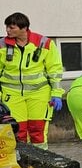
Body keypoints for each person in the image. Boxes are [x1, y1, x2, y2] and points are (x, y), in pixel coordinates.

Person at [0, 12, 64, 149]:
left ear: (24, 28)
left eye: (12, 27)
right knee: (17, 131)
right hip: (11, 95)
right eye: (7, 27)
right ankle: (21, 165)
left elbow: (54, 70)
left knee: (38, 131)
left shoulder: (44, 43)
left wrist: (56, 93)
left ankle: (42, 163)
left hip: (39, 94)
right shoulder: (2, 45)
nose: (7, 30)